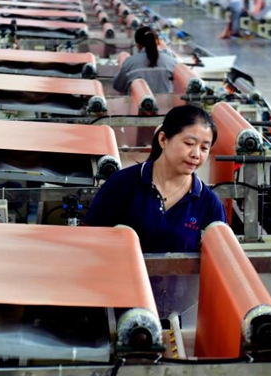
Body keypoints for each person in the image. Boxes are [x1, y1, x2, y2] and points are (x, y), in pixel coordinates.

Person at [82, 105, 228, 253]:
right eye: (189, 144)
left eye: (204, 148)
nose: (196, 154)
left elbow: (220, 258)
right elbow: (89, 241)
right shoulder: (122, 184)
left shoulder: (209, 204)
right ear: (163, 139)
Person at [113, 27, 179, 94]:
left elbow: (118, 86)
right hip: (167, 104)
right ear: (158, 42)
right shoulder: (172, 62)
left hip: (137, 104)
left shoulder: (130, 63)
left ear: (138, 45)